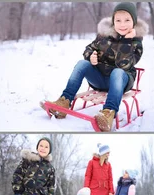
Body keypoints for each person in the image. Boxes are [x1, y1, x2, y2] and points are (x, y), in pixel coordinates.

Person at [42, 2, 148, 131]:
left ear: (134, 22)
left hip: (120, 82)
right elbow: (89, 48)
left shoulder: (136, 43)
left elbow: (123, 65)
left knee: (118, 72)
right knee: (82, 63)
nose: (122, 24)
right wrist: (90, 56)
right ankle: (64, 101)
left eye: (127, 20)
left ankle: (108, 113)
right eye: (118, 20)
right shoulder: (104, 35)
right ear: (113, 21)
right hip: (100, 79)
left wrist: (126, 40)